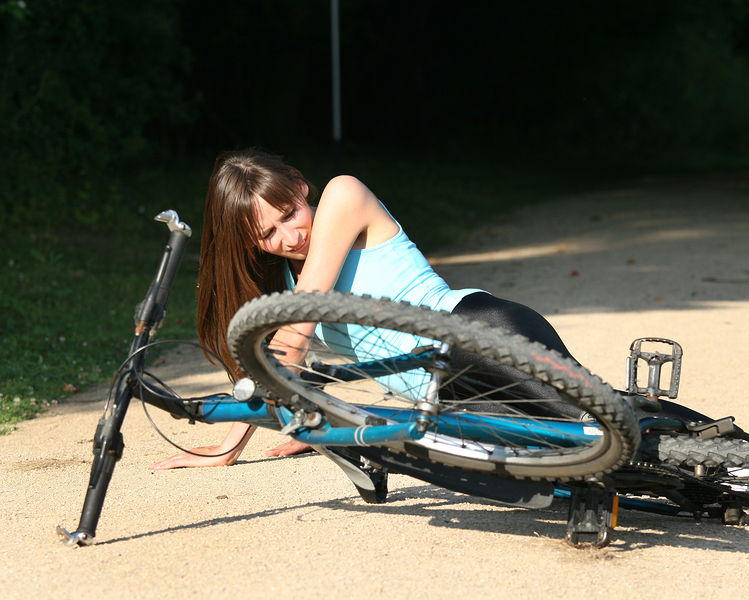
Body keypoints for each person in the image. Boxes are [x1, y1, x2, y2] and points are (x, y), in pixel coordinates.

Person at [149, 148, 589, 470]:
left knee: (602, 427)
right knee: (584, 464)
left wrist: (241, 441)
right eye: (268, 233)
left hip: (476, 335)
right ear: (250, 242)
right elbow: (281, 365)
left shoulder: (343, 197)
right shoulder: (281, 280)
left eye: (289, 213)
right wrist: (304, 426)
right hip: (447, 398)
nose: (289, 237)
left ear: (302, 188)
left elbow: (296, 334)